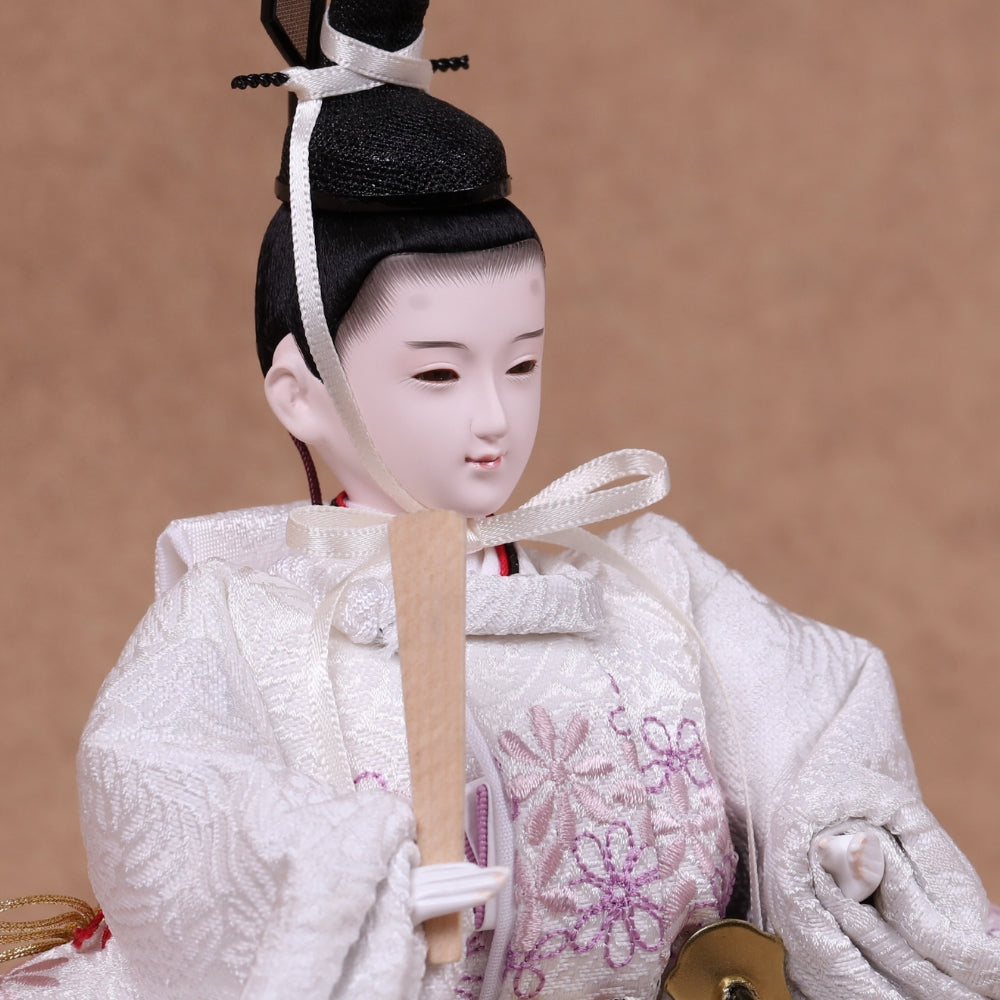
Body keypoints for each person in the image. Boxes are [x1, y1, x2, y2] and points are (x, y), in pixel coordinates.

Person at [2, 2, 998, 998]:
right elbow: (161, 786)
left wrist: (836, 836)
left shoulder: (648, 583)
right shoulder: (239, 623)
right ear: (300, 391)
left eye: (521, 365)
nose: (494, 417)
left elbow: (816, 713)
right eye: (438, 374)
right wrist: (355, 883)